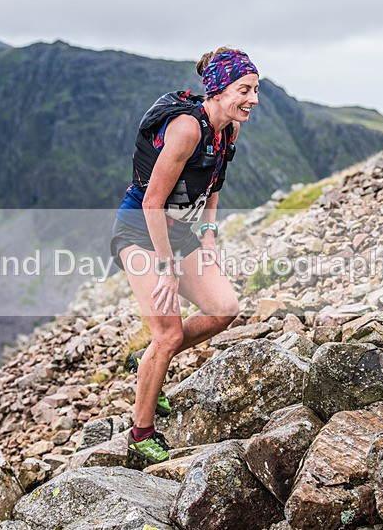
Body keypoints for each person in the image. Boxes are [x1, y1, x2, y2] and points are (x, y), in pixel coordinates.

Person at [109, 46, 259, 468]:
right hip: (140, 232)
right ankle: (140, 432)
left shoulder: (228, 128)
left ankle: (148, 365)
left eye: (255, 89)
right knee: (169, 333)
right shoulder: (186, 130)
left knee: (224, 308)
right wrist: (165, 269)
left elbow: (214, 182)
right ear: (217, 89)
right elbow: (152, 203)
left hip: (179, 233)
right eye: (244, 89)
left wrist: (208, 233)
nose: (253, 99)